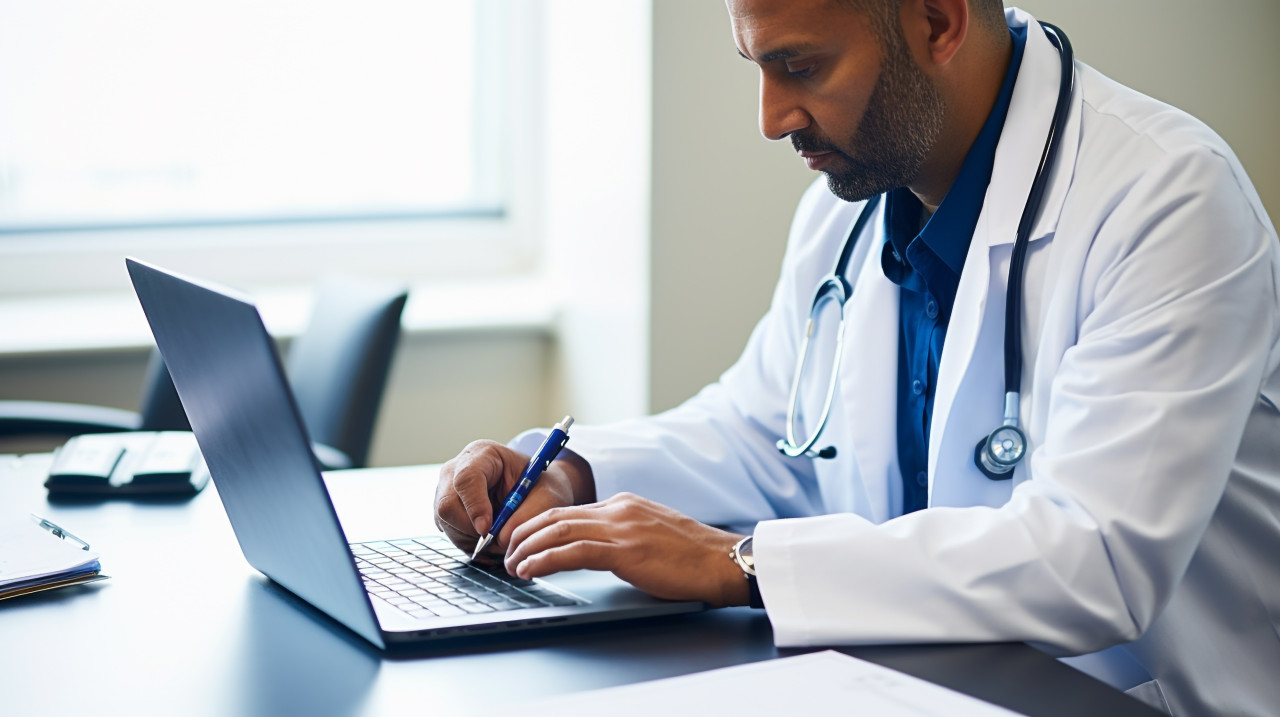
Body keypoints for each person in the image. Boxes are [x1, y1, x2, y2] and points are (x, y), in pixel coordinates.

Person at [434, 1, 1280, 714]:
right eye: (756, 66)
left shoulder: (1170, 198)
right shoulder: (850, 207)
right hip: (920, 684)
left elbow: (1092, 558)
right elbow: (766, 429)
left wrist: (744, 563)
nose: (771, 118)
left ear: (939, 20)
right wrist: (570, 471)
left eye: (799, 67)